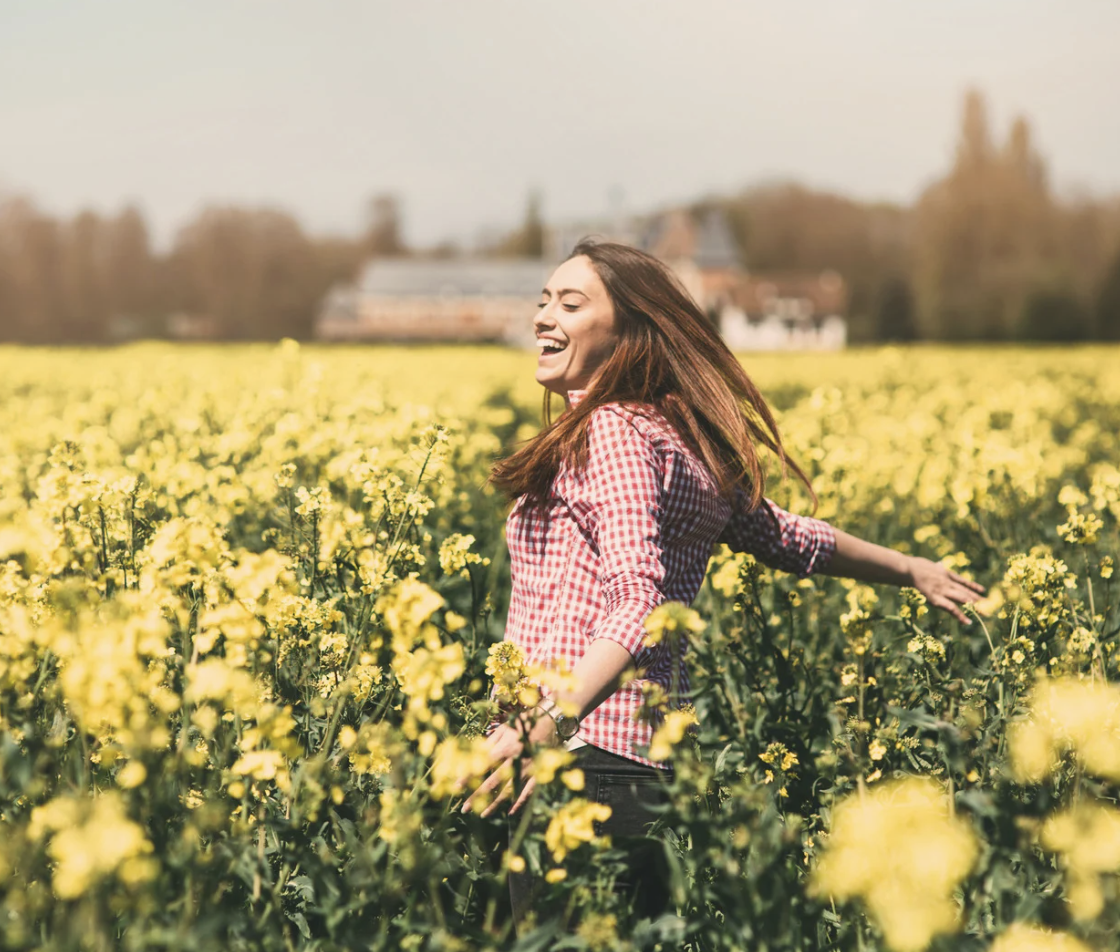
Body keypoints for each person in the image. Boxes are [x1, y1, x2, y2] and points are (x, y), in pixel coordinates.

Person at [460, 239, 985, 926]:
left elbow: (637, 598)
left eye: (570, 303)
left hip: (579, 761)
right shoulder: (679, 437)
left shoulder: (613, 430)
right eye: (542, 302)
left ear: (629, 330)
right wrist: (910, 569)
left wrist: (547, 723)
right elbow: (792, 539)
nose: (543, 318)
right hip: (642, 768)